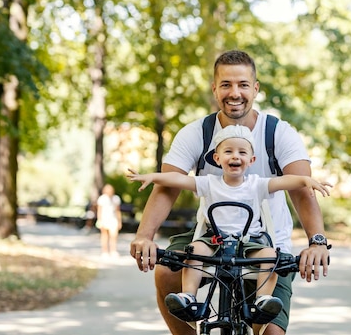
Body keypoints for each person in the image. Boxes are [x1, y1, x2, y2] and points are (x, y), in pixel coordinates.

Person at [129, 49, 331, 335]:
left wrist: (317, 242)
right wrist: (143, 237)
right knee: (166, 271)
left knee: (271, 332)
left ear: (255, 89)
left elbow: (302, 188)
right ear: (215, 89)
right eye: (226, 84)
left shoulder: (278, 133)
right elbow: (168, 186)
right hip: (209, 232)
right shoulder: (196, 133)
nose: (234, 93)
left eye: (242, 85)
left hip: (266, 238)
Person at [96, 184, 122, 256]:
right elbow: (99, 210)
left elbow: (118, 211)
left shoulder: (116, 198)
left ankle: (113, 250)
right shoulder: (102, 199)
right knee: (104, 236)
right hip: (104, 219)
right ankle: (105, 251)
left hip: (113, 219)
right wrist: (99, 220)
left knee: (114, 236)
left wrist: (119, 221)